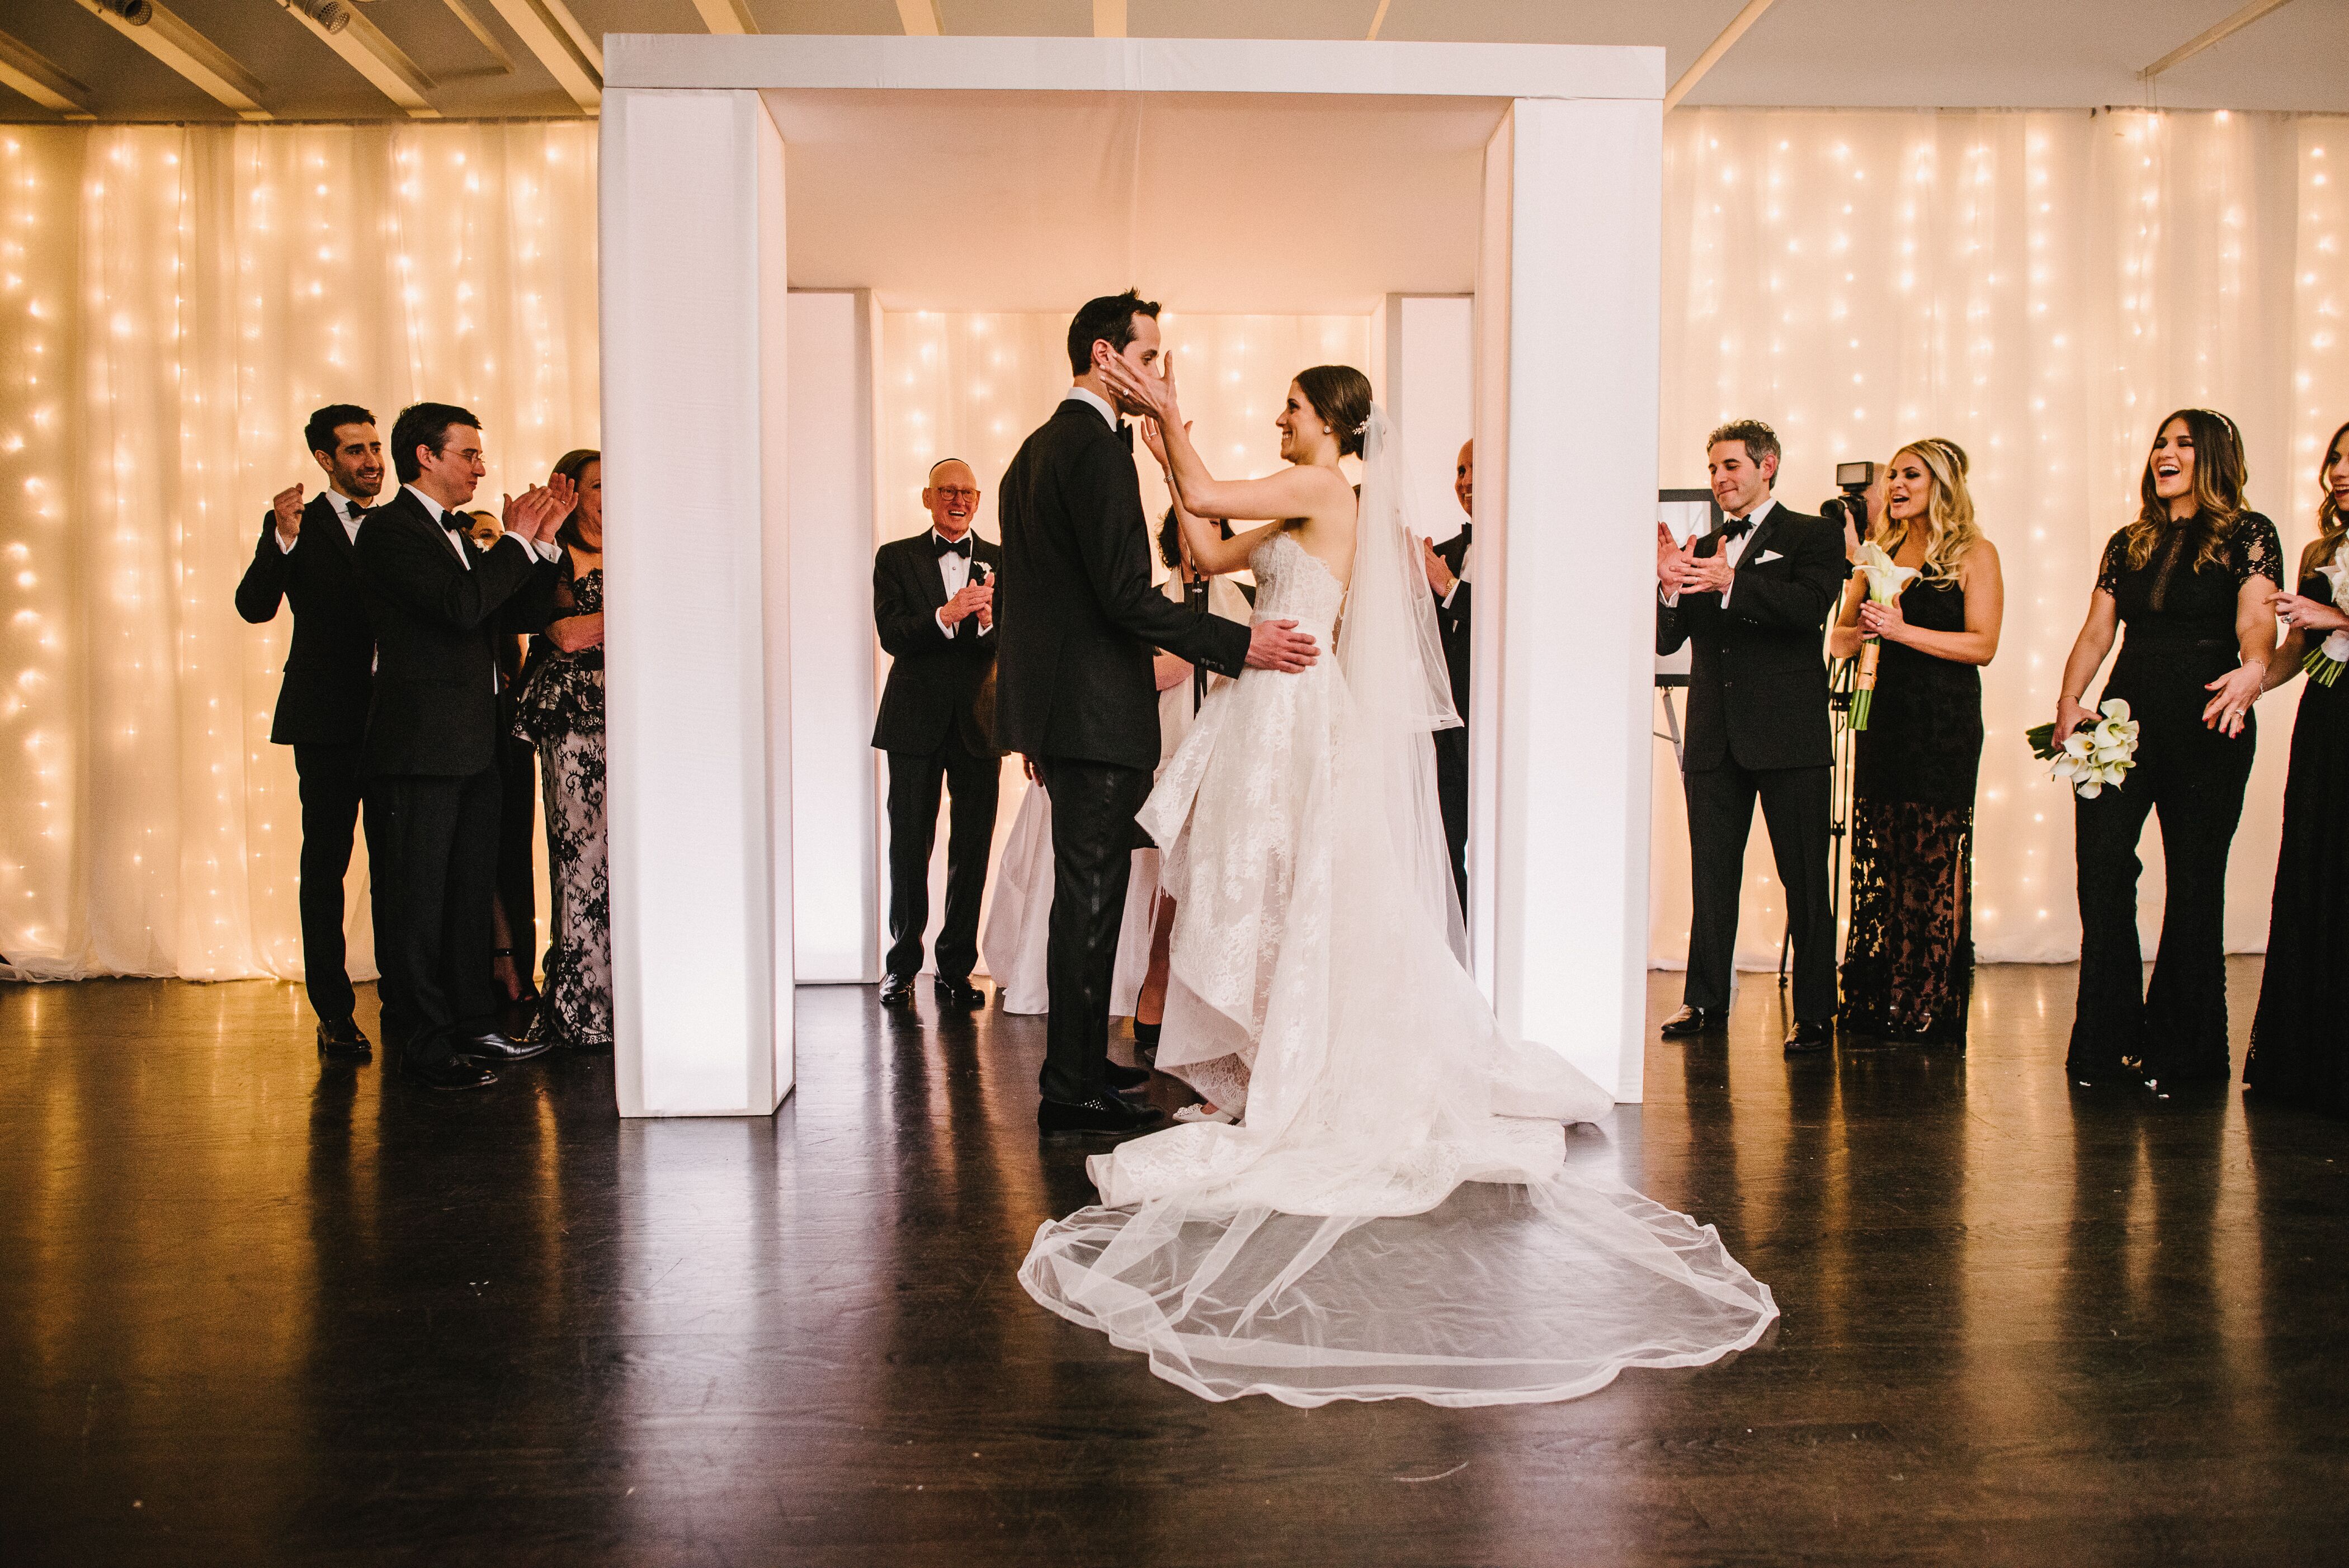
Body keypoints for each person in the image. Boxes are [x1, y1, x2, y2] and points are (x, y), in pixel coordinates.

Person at [1016, 352, 1779, 1407]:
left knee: (1293, 888)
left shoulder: (1326, 488)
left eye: (1289, 407)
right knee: (1259, 893)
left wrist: (1171, 418)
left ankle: (1301, 1070)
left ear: (1330, 423)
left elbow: (1203, 495)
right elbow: (1199, 541)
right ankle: (1265, 1054)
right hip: (1261, 710)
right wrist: (1159, 444)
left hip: (1295, 715)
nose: (1278, 419)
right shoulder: (1291, 509)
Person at [994, 290, 1304, 1136]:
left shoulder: (1033, 451)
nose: (1161, 374)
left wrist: (1031, 719)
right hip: (1095, 719)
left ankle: (1083, 1064)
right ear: (1106, 356)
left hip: (1065, 718)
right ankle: (1070, 1088)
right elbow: (1127, 598)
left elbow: (1036, 601)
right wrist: (1241, 645)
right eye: (1151, 356)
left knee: (1084, 900)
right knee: (1090, 901)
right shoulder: (1093, 451)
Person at [2054, 408, 2280, 1091]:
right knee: (2101, 869)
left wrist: (2254, 668)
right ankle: (2108, 1040)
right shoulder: (2129, 540)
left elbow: (2256, 615)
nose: (2165, 452)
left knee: (2193, 883)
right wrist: (2070, 700)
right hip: (2123, 718)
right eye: (2160, 442)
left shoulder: (2249, 532)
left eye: (2182, 443)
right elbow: (2097, 631)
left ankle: (2184, 1054)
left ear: (2212, 456)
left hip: (2209, 716)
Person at [356, 403, 568, 1092]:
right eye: (469, 454)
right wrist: (514, 542)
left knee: (472, 890)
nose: (481, 466)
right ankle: (423, 1040)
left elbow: (520, 612)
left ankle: (476, 1022)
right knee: (418, 899)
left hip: (476, 741)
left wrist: (543, 546)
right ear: (425, 456)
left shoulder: (458, 538)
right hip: (419, 746)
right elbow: (459, 607)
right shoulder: (390, 531)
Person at [1655, 419, 1848, 1053]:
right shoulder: (1704, 542)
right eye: (1713, 468)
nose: (1720, 478)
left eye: (1732, 465)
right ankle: (1704, 999)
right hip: (1715, 738)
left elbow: (1808, 608)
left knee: (1804, 879)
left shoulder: (1814, 535)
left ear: (1768, 466)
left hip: (1788, 737)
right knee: (1711, 877)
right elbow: (1667, 641)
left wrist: (1732, 582)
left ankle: (1817, 1012)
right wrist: (1668, 586)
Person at [1826, 440, 2003, 1043]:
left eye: (1910, 475)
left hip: (1943, 721)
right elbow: (1839, 638)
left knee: (1930, 861)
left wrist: (1903, 629)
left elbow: (1983, 645)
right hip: (1883, 717)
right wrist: (1856, 631)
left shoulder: (1975, 553)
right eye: (1892, 476)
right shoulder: (1880, 551)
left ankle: (1927, 999)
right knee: (1886, 858)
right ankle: (1880, 998)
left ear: (1942, 483)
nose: (1895, 484)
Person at [235, 404, 384, 1061]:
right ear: (325, 460)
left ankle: (410, 1000)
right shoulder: (295, 525)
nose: (371, 460)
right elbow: (253, 606)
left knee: (401, 863)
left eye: (375, 446)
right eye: (355, 450)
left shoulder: (398, 523)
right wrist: (283, 540)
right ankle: (333, 1011)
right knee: (325, 864)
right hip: (324, 721)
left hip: (396, 719)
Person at [871, 459, 1004, 1011]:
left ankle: (956, 969)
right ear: (928, 497)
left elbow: (1016, 644)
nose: (957, 499)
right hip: (913, 723)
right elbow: (891, 633)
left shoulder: (1004, 561)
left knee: (971, 850)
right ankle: (901, 966)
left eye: (966, 492)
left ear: (977, 500)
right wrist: (945, 615)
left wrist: (994, 618)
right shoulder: (895, 556)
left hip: (980, 723)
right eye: (947, 490)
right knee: (909, 846)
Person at [2244, 421, 2349, 1111]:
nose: (2339, 469)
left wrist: (2335, 616)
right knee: (2318, 867)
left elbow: (2327, 623)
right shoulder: (2322, 548)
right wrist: (2253, 679)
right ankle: (2313, 1056)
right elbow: (2298, 648)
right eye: (2336, 457)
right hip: (2329, 717)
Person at [514, 448, 612, 1052]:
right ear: (571, 493)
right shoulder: (556, 559)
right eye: (599, 484)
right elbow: (568, 634)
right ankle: (581, 1004)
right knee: (582, 863)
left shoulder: (640, 545)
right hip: (575, 718)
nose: (611, 495)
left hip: (639, 717)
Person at [465, 508, 543, 1022]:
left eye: (497, 533)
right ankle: (498, 963)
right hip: (471, 731)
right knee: (481, 856)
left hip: (515, 731)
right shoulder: (473, 588)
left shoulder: (512, 586)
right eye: (481, 535)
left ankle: (521, 962)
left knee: (517, 854)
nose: (489, 543)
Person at [1421, 438, 1475, 908]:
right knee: (1445, 848)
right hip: (1443, 731)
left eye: (1475, 468)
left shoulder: (1522, 552)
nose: (1466, 481)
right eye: (1460, 470)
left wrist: (1450, 588)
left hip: (1494, 733)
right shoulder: (1440, 552)